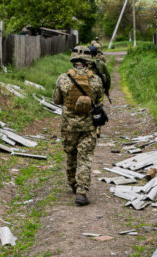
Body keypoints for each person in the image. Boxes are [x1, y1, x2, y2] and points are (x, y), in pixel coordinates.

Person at [53, 46, 104, 206]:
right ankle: (82, 191)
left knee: (71, 154)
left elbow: (56, 100)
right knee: (85, 158)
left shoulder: (63, 78)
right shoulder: (95, 80)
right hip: (88, 126)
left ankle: (73, 183)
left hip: (69, 125)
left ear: (73, 60)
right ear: (88, 62)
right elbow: (99, 101)